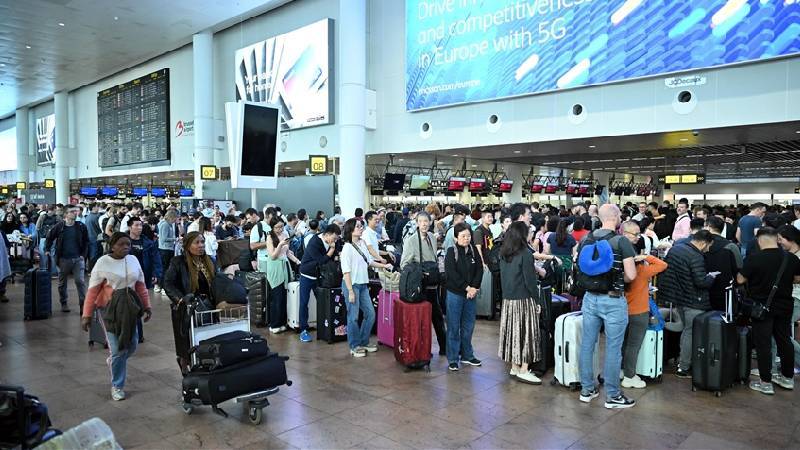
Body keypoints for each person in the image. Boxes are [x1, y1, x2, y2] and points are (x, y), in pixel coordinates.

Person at [578, 204, 638, 409]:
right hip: (613, 300)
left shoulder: (587, 238)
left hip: (589, 298)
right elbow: (631, 275)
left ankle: (587, 389)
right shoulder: (621, 241)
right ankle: (612, 395)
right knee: (613, 348)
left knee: (587, 344)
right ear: (615, 217)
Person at [81, 232, 152, 401]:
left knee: (133, 344)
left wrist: (147, 306)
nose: (126, 247)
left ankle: (114, 360)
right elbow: (92, 291)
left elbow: (140, 285)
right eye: (121, 244)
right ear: (112, 246)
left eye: (128, 244)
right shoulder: (102, 262)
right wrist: (87, 315)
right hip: (109, 310)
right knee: (119, 349)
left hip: (130, 309)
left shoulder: (133, 260)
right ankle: (117, 386)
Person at [738, 227, 800, 395]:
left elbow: (740, 279)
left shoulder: (755, 258)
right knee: (784, 340)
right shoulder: (791, 258)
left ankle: (765, 382)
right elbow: (797, 278)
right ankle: (787, 378)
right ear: (776, 239)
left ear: (759, 240)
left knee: (763, 344)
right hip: (785, 306)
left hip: (761, 307)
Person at [659, 230, 718, 378]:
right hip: (694, 300)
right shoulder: (696, 256)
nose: (708, 250)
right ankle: (684, 367)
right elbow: (700, 281)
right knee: (690, 333)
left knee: (685, 331)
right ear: (703, 243)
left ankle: (680, 359)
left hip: (678, 298)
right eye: (708, 246)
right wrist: (711, 277)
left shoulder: (676, 249)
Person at [620, 221, 667, 389]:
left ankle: (621, 370)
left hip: (621, 309)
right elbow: (662, 265)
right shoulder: (642, 270)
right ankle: (630, 376)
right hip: (639, 311)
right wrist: (646, 256)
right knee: (634, 345)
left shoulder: (621, 269)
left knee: (623, 344)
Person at [498, 221, 546, 384]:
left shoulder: (504, 253)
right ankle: (524, 369)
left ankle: (514, 367)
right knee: (528, 334)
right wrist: (537, 300)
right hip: (524, 299)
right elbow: (530, 281)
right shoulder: (525, 253)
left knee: (512, 334)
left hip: (508, 300)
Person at [163, 231, 217, 373]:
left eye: (202, 242)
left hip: (208, 307)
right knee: (186, 345)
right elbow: (168, 284)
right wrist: (181, 300)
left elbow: (217, 281)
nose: (201, 245)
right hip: (187, 309)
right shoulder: (178, 262)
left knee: (207, 340)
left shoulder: (210, 260)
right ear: (187, 246)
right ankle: (186, 369)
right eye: (197, 242)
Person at [340, 218, 392, 357]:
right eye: (357, 226)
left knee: (370, 314)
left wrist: (383, 265)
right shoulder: (347, 248)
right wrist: (350, 291)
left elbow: (369, 261)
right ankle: (354, 345)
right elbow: (346, 272)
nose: (361, 228)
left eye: (361, 226)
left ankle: (363, 341)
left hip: (363, 285)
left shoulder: (362, 243)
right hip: (352, 285)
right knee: (353, 317)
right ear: (350, 229)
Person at [401, 212, 447, 355]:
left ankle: (444, 348)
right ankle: (422, 350)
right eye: (421, 221)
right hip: (420, 286)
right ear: (417, 223)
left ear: (430, 222)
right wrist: (418, 272)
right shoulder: (411, 241)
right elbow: (404, 264)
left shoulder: (432, 237)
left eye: (426, 221)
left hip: (433, 284)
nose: (424, 224)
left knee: (437, 317)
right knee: (422, 320)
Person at [444, 222, 484, 371]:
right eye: (463, 236)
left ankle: (467, 355)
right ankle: (453, 358)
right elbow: (451, 274)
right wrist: (467, 287)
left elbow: (479, 269)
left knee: (468, 326)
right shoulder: (451, 252)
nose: (467, 239)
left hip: (471, 295)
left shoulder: (473, 250)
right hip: (456, 294)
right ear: (456, 238)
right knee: (454, 326)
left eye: (468, 236)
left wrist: (474, 287)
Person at [297, 224, 341, 342]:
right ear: (327, 234)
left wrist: (335, 252)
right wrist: (331, 250)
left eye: (337, 238)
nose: (335, 241)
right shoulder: (314, 242)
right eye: (334, 238)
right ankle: (303, 330)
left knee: (324, 303)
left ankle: (325, 326)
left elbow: (334, 257)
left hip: (320, 277)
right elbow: (321, 260)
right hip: (307, 275)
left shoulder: (334, 242)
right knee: (304, 302)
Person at [45, 206, 89, 313]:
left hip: (78, 259)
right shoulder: (59, 227)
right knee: (62, 282)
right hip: (63, 259)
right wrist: (47, 249)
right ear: (66, 214)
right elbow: (49, 237)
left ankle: (83, 306)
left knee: (80, 281)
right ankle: (63, 302)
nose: (75, 213)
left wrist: (83, 255)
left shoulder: (81, 226)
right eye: (72, 211)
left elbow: (86, 241)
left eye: (76, 211)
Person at [126, 216, 162, 343]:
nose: (139, 228)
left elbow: (156, 259)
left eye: (141, 225)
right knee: (130, 306)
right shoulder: (123, 242)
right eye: (136, 225)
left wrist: (156, 274)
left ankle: (138, 334)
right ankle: (134, 334)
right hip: (125, 279)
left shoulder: (148, 243)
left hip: (142, 279)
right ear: (130, 227)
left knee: (138, 306)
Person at [263, 218, 301, 334]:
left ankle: (283, 322)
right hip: (275, 268)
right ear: (272, 227)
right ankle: (274, 324)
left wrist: (297, 261)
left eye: (281, 226)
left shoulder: (285, 233)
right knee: (277, 297)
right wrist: (280, 244)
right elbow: (273, 255)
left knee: (285, 296)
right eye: (277, 227)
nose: (280, 229)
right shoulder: (269, 237)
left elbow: (287, 252)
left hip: (285, 266)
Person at [775, 225, 800, 375]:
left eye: (781, 239)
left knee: (780, 333)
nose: (779, 242)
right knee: (781, 333)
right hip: (787, 298)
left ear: (791, 239)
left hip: (796, 298)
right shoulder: (786, 254)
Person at [704, 216, 742, 311]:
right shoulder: (731, 246)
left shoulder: (700, 244)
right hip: (725, 290)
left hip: (703, 288)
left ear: (708, 227)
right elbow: (739, 267)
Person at [156, 210, 178, 294]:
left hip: (166, 249)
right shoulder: (165, 225)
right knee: (165, 269)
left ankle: (160, 285)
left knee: (164, 268)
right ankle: (162, 286)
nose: (175, 220)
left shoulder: (163, 223)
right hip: (165, 250)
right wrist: (175, 239)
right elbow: (163, 239)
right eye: (175, 218)